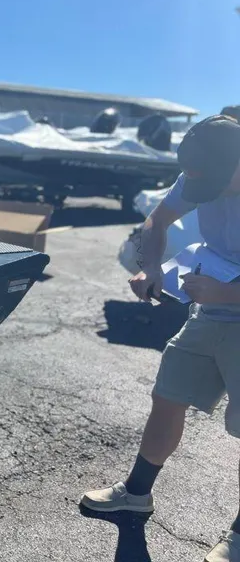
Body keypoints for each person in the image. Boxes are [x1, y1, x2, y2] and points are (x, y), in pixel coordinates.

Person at [80, 115, 240, 562]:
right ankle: (136, 494)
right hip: (211, 311)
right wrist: (149, 266)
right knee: (168, 396)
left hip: (228, 301)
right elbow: (157, 221)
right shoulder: (202, 172)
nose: (203, 195)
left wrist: (227, 291)